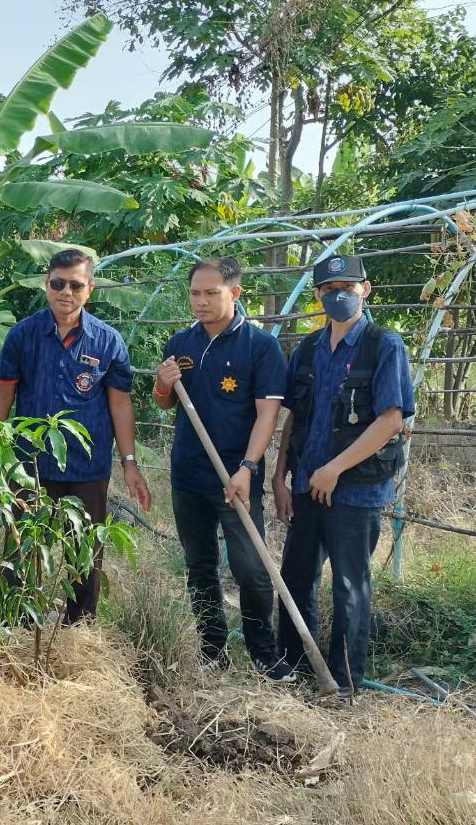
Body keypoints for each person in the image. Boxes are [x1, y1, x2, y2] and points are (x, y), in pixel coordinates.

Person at [272, 253, 414, 696]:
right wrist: (279, 478)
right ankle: (295, 668)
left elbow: (390, 420)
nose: (339, 296)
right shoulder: (309, 349)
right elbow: (294, 417)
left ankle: (344, 681)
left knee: (350, 587)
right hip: (305, 485)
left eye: (347, 289)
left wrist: (334, 469)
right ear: (318, 295)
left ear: (364, 290)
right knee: (296, 580)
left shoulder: (383, 345)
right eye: (329, 290)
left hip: (356, 489)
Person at [0, 248, 151, 621]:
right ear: (46, 285)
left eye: (75, 285)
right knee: (23, 545)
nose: (66, 292)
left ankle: (79, 625)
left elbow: (120, 405)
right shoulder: (23, 335)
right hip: (30, 464)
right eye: (58, 284)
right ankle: (17, 621)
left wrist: (129, 463)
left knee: (85, 549)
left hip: (88, 466)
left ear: (90, 289)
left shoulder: (107, 341)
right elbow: (4, 395)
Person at [153, 257, 292, 680]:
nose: (201, 301)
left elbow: (267, 415)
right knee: (200, 566)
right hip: (189, 475)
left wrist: (248, 467)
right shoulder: (181, 342)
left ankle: (263, 653)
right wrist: (162, 382)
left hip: (236, 478)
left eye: (211, 293)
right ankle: (212, 649)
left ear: (234, 293)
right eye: (195, 293)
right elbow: (164, 402)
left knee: (251, 567)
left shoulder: (259, 346)